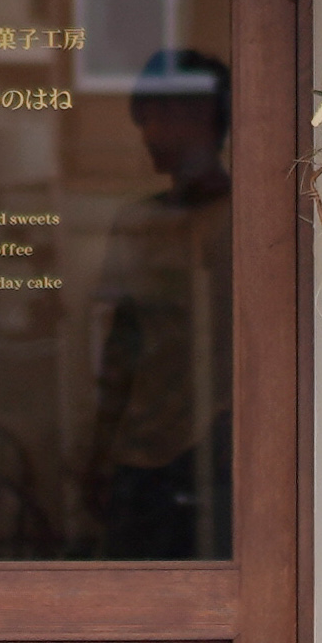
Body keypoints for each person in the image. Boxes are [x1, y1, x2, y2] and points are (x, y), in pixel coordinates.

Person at [85, 49, 233, 560]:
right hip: (143, 460)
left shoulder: (249, 220)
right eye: (142, 119)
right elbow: (120, 347)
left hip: (221, 454)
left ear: (197, 115)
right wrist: (102, 452)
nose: (145, 133)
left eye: (153, 117)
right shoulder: (137, 224)